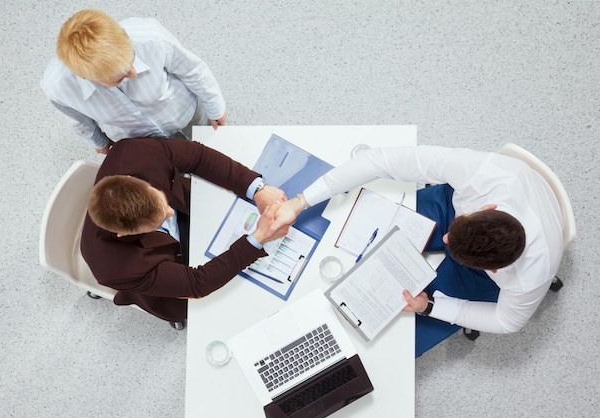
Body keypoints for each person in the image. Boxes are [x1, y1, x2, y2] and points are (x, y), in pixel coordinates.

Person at [269, 145, 564, 335]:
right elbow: (381, 161)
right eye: (454, 230)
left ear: (496, 271)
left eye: (450, 242)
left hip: (483, 264)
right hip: (458, 203)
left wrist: (431, 307)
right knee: (363, 220)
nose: (445, 238)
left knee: (397, 327)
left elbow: (507, 322)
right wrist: (299, 202)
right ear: (486, 209)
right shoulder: (482, 175)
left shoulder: (528, 278)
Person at [81, 137, 288, 326]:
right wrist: (258, 237)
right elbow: (197, 284)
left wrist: (257, 189)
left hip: (196, 215)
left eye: (161, 200)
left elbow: (198, 157)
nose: (171, 211)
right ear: (124, 234)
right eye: (161, 219)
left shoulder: (135, 150)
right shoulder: (116, 268)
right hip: (170, 267)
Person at [41, 9, 227, 154]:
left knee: (214, 149)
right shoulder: (58, 88)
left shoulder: (150, 36)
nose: (133, 72)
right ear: (84, 76)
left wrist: (214, 105)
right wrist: (100, 142)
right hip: (138, 138)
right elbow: (78, 119)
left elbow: (192, 69)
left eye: (131, 59)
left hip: (182, 111)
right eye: (120, 77)